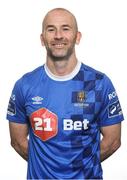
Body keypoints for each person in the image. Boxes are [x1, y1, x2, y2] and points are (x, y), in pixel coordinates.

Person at [7, 8, 124, 179]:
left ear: (78, 37)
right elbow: (18, 142)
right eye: (51, 29)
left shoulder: (99, 83)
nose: (58, 35)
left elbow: (113, 142)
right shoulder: (25, 85)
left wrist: (77, 169)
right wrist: (45, 166)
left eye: (66, 28)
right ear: (42, 39)